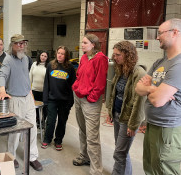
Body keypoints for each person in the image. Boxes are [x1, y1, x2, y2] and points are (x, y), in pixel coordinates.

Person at [135, 18, 181, 175]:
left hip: (168, 129)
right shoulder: (160, 62)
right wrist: (153, 89)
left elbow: (157, 100)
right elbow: (139, 88)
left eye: (160, 33)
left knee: (165, 169)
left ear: (175, 33)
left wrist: (152, 91)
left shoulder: (179, 64)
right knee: (150, 168)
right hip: (152, 124)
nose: (156, 37)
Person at [0, 34, 43, 171]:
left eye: (23, 43)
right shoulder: (8, 60)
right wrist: (2, 91)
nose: (21, 46)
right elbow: (2, 75)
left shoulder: (26, 59)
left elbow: (25, 78)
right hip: (14, 99)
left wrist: (30, 93)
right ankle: (11, 156)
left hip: (28, 98)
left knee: (33, 128)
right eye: (18, 43)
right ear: (12, 45)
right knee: (14, 132)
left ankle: (32, 157)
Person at [71, 33, 108, 175]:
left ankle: (96, 170)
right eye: (82, 42)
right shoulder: (84, 57)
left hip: (90, 100)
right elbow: (79, 76)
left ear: (93, 44)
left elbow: (100, 82)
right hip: (79, 97)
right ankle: (84, 156)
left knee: (92, 137)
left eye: (85, 43)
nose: (82, 45)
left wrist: (91, 97)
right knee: (82, 131)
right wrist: (76, 87)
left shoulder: (101, 59)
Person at [107, 41, 146, 175]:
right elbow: (114, 92)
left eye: (118, 55)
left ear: (128, 55)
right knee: (122, 151)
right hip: (118, 114)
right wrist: (110, 112)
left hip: (128, 119)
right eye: (114, 54)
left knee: (119, 153)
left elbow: (139, 102)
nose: (115, 57)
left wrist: (133, 124)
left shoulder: (139, 73)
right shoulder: (120, 69)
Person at [41, 46, 76, 151]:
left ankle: (58, 140)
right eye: (58, 53)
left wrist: (71, 101)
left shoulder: (70, 67)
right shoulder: (50, 65)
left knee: (62, 121)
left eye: (62, 53)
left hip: (65, 100)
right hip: (52, 99)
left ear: (66, 56)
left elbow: (73, 85)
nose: (60, 55)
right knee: (50, 121)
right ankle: (47, 139)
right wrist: (45, 99)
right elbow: (46, 83)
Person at [29, 51, 49, 125]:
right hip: (34, 90)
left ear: (47, 58)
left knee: (45, 108)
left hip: (44, 91)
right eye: (42, 55)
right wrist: (29, 88)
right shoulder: (34, 64)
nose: (43, 57)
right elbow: (30, 76)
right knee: (35, 108)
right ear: (39, 56)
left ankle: (43, 122)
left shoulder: (48, 66)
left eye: (45, 56)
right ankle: (37, 121)